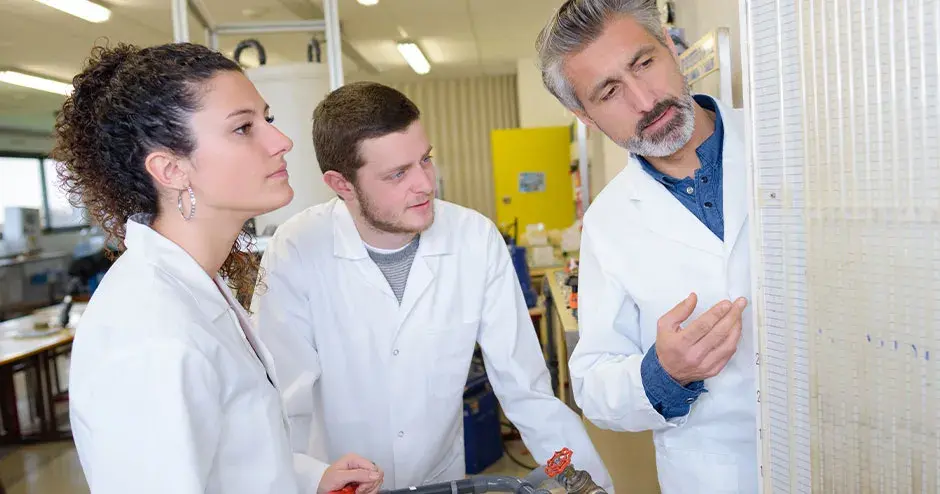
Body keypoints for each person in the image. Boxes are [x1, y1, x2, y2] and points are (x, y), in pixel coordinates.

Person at [250, 81, 613, 492]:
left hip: (439, 479)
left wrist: (583, 481)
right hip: (337, 485)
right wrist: (308, 478)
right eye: (397, 174)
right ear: (342, 185)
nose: (424, 184)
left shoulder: (474, 238)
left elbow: (527, 392)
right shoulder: (297, 248)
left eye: (425, 160)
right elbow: (281, 402)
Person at [55, 42, 383, 494]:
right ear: (170, 169)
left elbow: (229, 451)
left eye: (266, 119)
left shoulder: (196, 286)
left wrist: (309, 478)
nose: (281, 140)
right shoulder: (150, 332)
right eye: (243, 128)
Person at [535, 1, 756, 493]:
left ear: (671, 49)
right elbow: (592, 383)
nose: (644, 99)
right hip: (714, 475)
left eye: (644, 63)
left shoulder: (785, 139)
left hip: (845, 446)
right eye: (609, 91)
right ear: (585, 116)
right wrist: (664, 373)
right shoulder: (607, 224)